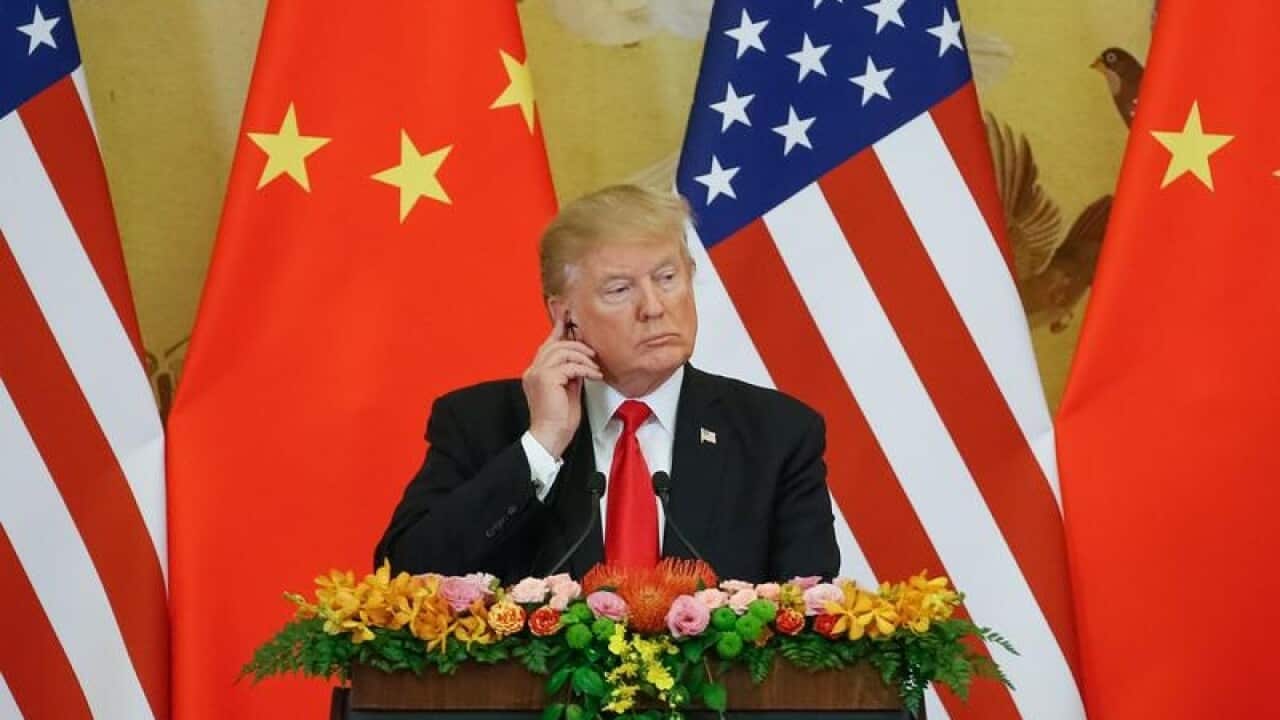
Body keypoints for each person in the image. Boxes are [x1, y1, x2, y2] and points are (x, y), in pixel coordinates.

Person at [375, 185, 839, 583]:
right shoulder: (482, 423)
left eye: (667, 278)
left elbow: (809, 617)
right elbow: (405, 574)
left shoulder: (776, 435)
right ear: (564, 315)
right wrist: (541, 446)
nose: (654, 306)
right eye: (620, 290)